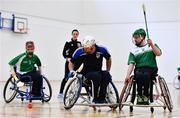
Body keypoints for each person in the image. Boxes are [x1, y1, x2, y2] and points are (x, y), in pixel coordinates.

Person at [68, 35, 112, 103]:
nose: (86, 50)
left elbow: (108, 59)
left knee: (106, 75)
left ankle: (102, 98)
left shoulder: (102, 49)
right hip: (85, 74)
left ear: (93, 45)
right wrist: (71, 71)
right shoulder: (79, 51)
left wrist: (108, 70)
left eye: (88, 48)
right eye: (85, 48)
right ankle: (94, 96)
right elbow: (71, 62)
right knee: (96, 75)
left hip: (98, 71)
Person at [125, 28, 162, 105]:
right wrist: (128, 75)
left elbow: (158, 53)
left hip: (151, 69)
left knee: (145, 74)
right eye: (134, 37)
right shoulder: (133, 50)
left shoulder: (151, 46)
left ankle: (145, 95)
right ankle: (140, 95)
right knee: (138, 74)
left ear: (142, 37)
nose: (134, 39)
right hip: (139, 69)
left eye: (136, 37)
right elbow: (131, 64)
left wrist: (151, 44)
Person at [58, 29, 81, 98]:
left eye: (76, 34)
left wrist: (80, 47)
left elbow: (82, 52)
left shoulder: (79, 43)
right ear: (72, 34)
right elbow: (64, 53)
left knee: (80, 77)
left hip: (77, 63)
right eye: (74, 34)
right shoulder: (68, 43)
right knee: (66, 77)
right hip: (69, 63)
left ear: (78, 35)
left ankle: (84, 93)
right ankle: (61, 92)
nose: (75, 35)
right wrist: (67, 58)